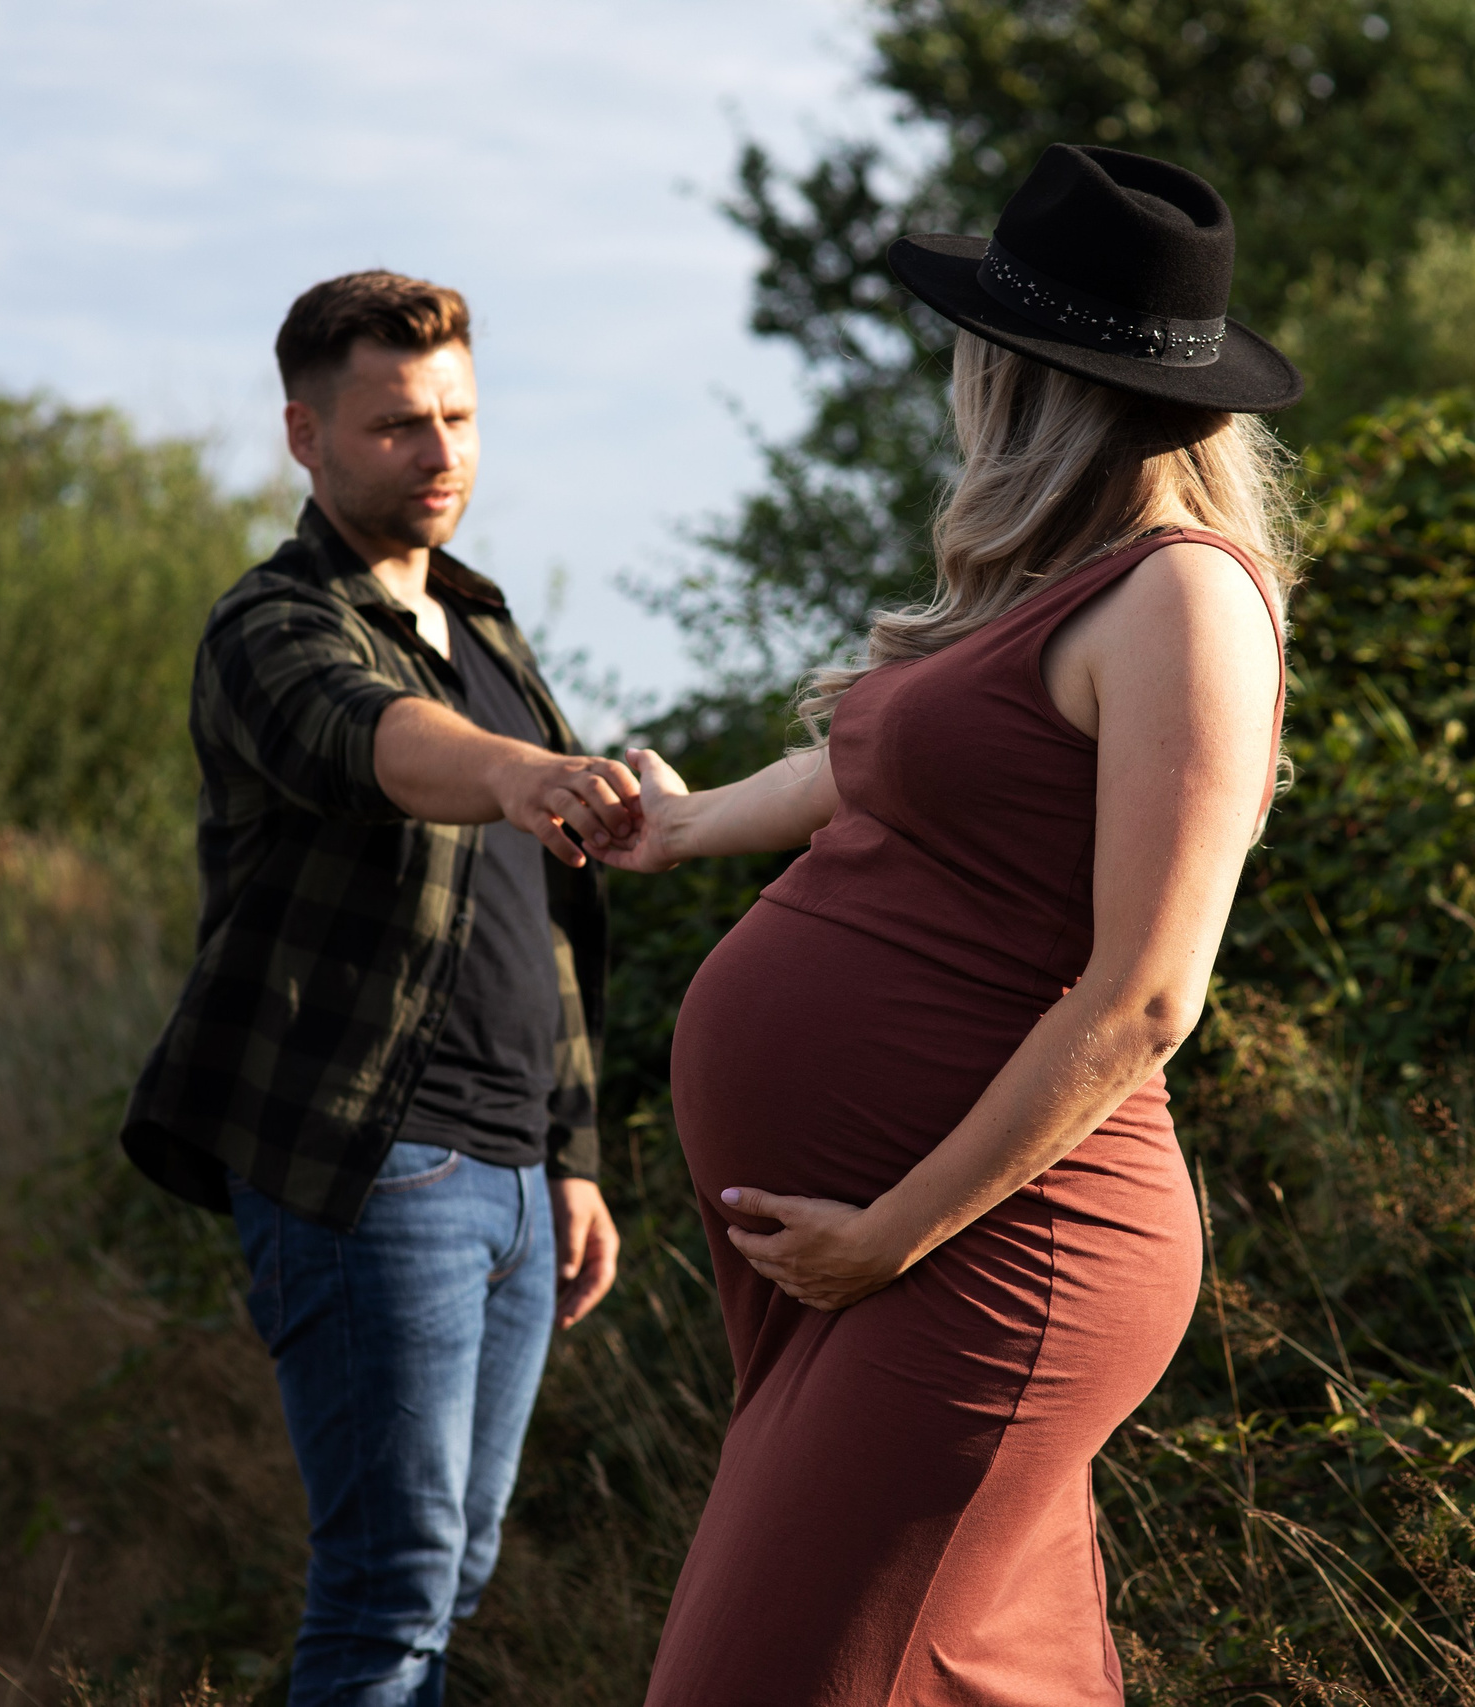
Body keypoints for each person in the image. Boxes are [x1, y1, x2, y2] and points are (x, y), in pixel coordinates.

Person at [595, 145, 1304, 1704]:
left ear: (1021, 373)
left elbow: (1144, 998)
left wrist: (892, 1231)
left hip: (997, 1246)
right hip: (878, 1250)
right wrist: (689, 822)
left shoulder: (1185, 600)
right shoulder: (1047, 590)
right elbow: (867, 762)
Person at [120, 270, 634, 1707]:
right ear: (307, 435)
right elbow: (372, 743)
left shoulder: (484, 625)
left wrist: (574, 1159)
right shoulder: (271, 625)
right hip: (370, 1165)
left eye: (459, 417)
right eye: (399, 424)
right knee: (392, 1583)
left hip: (515, 1171)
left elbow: (545, 918)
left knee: (451, 1572)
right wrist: (528, 774)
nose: (442, 451)